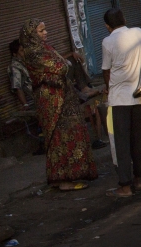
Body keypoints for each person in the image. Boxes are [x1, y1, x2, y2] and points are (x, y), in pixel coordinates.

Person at [19, 19, 97, 190]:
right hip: (52, 104)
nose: (45, 33)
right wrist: (62, 65)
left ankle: (70, 177)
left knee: (72, 134)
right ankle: (64, 181)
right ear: (31, 34)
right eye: (41, 31)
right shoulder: (33, 52)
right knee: (59, 138)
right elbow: (61, 67)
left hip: (64, 99)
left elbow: (64, 65)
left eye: (45, 29)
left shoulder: (46, 48)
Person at [100, 9, 141, 198]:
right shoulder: (140, 34)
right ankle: (139, 179)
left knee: (121, 142)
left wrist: (108, 87)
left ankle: (125, 186)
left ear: (107, 26)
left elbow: (106, 70)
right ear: (125, 19)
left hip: (120, 99)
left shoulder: (108, 41)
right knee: (138, 139)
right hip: (140, 96)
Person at [8, 40, 34, 108]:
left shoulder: (26, 60)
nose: (25, 52)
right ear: (15, 54)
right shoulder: (15, 67)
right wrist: (25, 104)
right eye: (22, 50)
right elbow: (18, 87)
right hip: (35, 97)